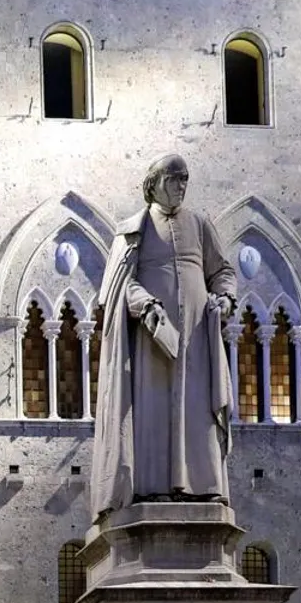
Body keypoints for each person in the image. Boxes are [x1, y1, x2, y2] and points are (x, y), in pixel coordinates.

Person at [90, 153, 241, 518]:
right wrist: (146, 306)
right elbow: (117, 287)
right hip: (152, 339)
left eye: (185, 179)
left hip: (196, 335)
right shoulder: (133, 229)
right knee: (152, 410)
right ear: (153, 184)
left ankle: (203, 488)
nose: (181, 186)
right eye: (174, 179)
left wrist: (224, 297)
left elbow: (222, 271)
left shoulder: (201, 225)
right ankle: (151, 487)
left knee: (196, 408)